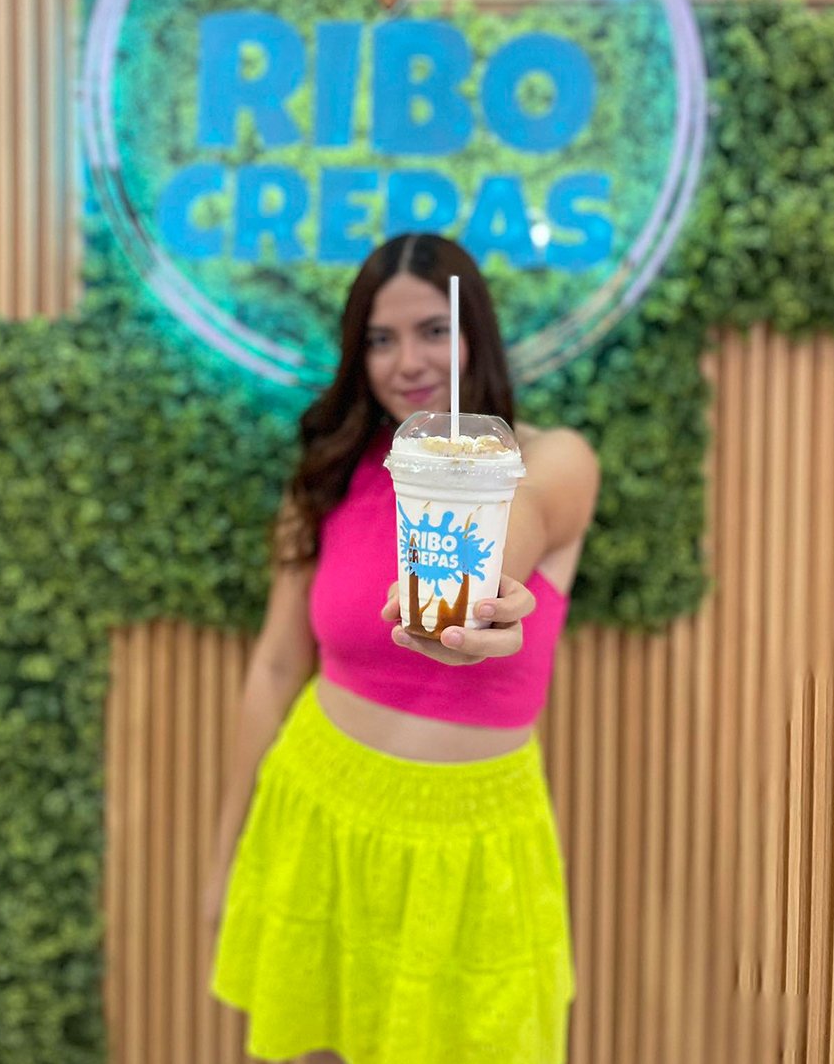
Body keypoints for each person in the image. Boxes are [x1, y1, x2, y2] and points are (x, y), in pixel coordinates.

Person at [206, 233, 600, 1064]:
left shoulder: (552, 459)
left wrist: (481, 595)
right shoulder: (330, 475)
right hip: (316, 807)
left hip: (472, 841)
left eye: (433, 330)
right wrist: (226, 853)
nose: (408, 362)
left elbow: (518, 515)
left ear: (474, 334)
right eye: (381, 340)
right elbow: (274, 667)